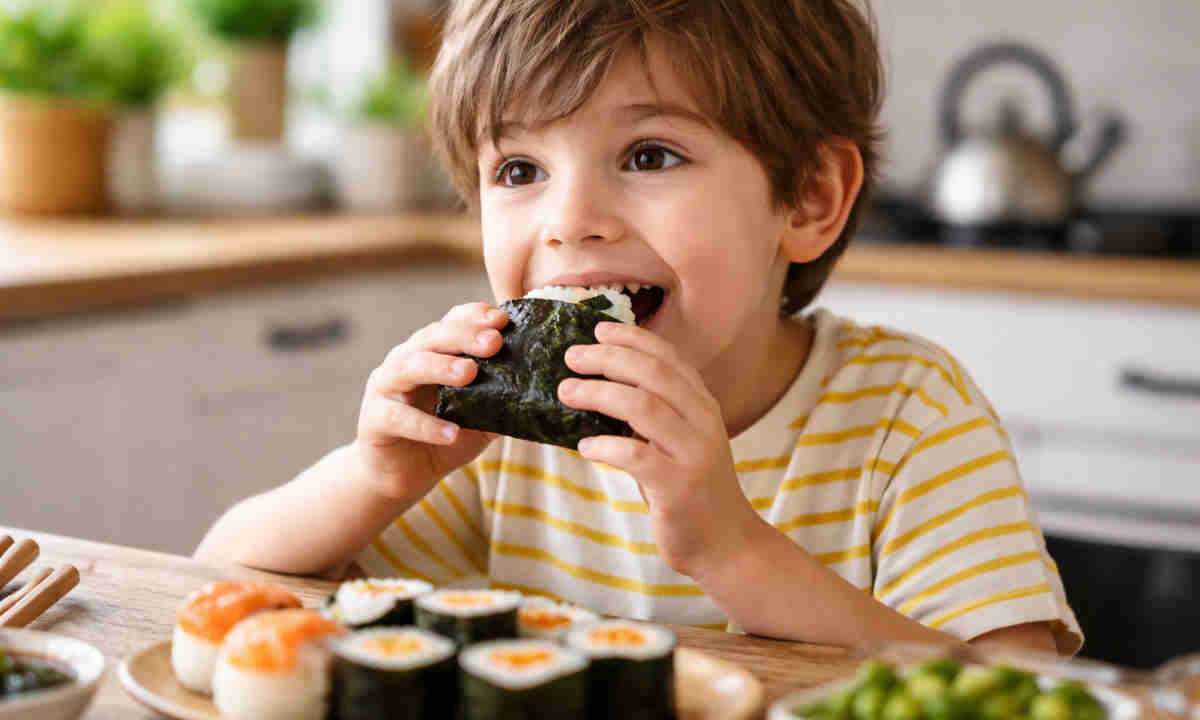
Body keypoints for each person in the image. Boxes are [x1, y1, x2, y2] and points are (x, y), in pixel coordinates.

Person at [197, 0, 1081, 654]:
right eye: (519, 168)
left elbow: (1027, 695)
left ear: (808, 199)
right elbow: (214, 589)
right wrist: (373, 478)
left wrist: (731, 551)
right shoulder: (500, 436)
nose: (570, 220)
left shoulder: (908, 412)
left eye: (649, 155)